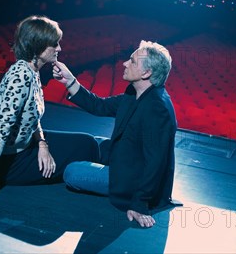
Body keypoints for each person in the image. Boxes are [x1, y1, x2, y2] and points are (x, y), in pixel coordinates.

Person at [0, 15, 99, 203]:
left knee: (87, 142)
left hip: (29, 144)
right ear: (38, 46)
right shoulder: (20, 75)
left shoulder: (32, 70)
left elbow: (30, 115)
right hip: (11, 163)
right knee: (86, 151)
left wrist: (42, 145)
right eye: (55, 44)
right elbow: (0, 130)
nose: (60, 48)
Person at [52, 40, 180, 228]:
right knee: (95, 142)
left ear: (146, 73)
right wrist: (70, 81)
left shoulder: (156, 109)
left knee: (72, 171)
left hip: (132, 182)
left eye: (132, 61)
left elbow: (156, 162)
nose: (124, 64)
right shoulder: (135, 93)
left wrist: (140, 204)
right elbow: (100, 106)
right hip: (128, 160)